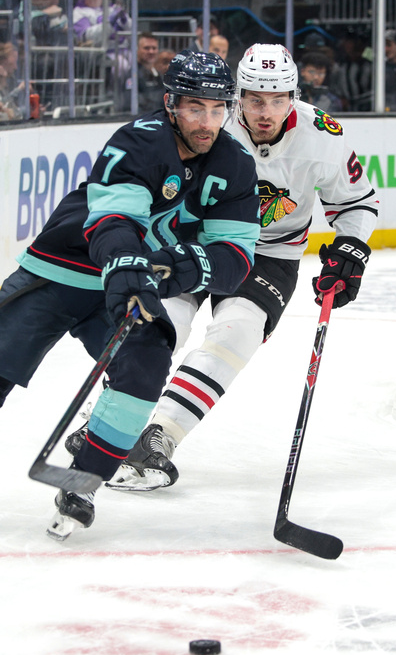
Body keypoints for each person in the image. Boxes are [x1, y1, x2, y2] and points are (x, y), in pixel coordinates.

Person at [0, 51, 260, 540]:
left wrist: (169, 270)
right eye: (194, 108)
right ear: (170, 104)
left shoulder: (234, 162)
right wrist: (128, 267)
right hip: (59, 271)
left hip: (130, 281)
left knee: (144, 366)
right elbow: (113, 223)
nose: (206, 122)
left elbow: (233, 256)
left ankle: (83, 483)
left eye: (216, 109)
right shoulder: (138, 143)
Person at [65, 44, 377, 493]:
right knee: (162, 322)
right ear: (237, 96)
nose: (265, 112)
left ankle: (162, 435)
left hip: (270, 250)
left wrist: (351, 248)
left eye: (278, 99)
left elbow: (357, 202)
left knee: (238, 331)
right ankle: (112, 421)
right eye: (253, 99)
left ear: (295, 95)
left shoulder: (323, 135)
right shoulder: (211, 119)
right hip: (193, 235)